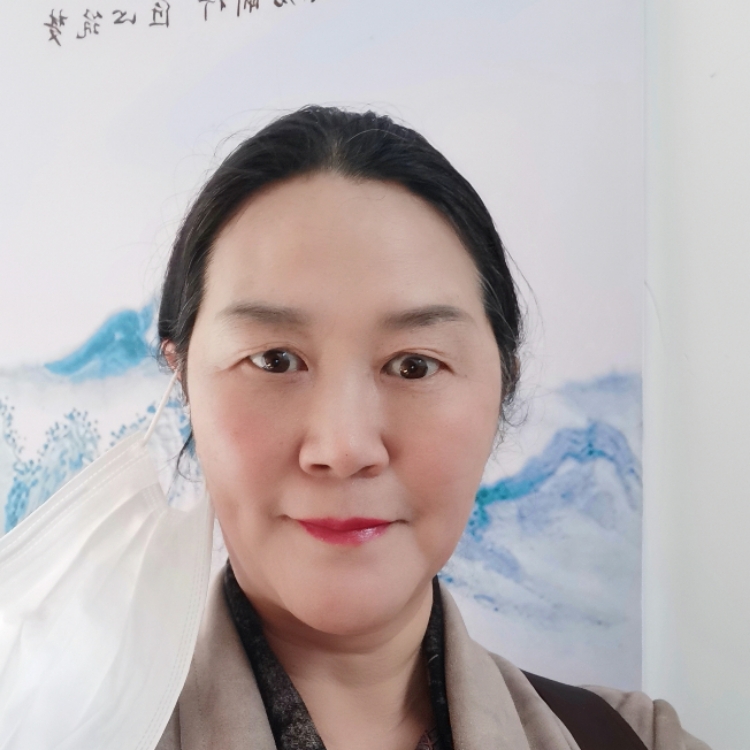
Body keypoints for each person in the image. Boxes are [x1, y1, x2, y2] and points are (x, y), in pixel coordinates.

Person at [155, 106, 709, 750]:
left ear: (503, 386)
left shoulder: (636, 740)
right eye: (275, 360)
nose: (345, 448)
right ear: (183, 384)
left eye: (414, 365)